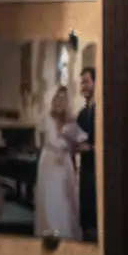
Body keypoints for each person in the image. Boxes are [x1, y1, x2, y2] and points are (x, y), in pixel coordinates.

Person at [35, 86, 87, 243]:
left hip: (64, 165)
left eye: (63, 99)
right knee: (50, 199)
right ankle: (50, 232)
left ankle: (65, 234)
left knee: (64, 201)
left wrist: (74, 146)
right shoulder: (46, 119)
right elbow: (38, 142)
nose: (59, 102)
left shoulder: (71, 123)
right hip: (49, 163)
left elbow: (82, 143)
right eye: (57, 98)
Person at [78, 67, 97, 241]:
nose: (83, 86)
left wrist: (91, 148)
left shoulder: (102, 111)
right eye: (81, 82)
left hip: (98, 167)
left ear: (95, 83)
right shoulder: (82, 113)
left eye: (86, 81)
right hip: (85, 166)